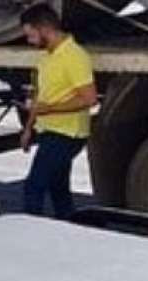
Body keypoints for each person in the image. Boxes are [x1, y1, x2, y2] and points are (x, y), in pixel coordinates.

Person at [19, 3, 96, 219]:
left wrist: (49, 109)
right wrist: (28, 129)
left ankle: (30, 231)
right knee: (58, 188)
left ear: (44, 28)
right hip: (49, 131)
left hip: (68, 133)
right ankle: (67, 226)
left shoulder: (74, 56)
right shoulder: (46, 57)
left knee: (34, 186)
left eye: (31, 35)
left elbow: (88, 98)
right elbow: (39, 97)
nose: (29, 41)